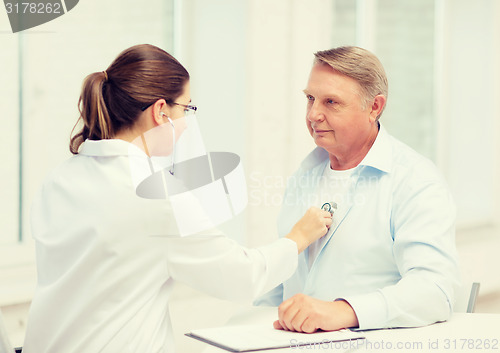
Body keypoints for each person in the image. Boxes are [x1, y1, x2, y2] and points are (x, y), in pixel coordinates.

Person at [22, 44, 333, 353]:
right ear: (161, 112)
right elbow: (241, 276)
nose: (186, 123)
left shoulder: (60, 178)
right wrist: (298, 237)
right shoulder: (156, 196)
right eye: (186, 109)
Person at [255, 46, 461, 333]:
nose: (314, 114)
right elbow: (281, 287)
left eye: (331, 102)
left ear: (374, 107)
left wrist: (344, 311)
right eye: (310, 98)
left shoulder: (415, 181)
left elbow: (435, 291)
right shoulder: (304, 175)